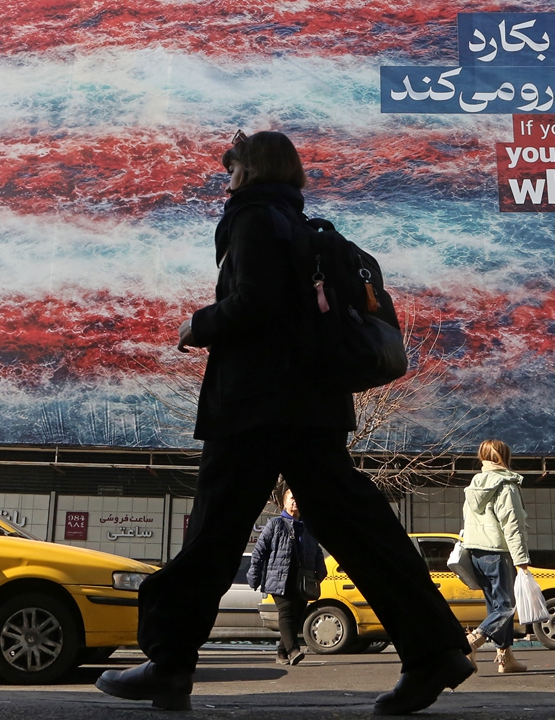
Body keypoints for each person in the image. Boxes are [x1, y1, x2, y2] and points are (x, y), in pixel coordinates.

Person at [95, 130, 473, 715]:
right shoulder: (301, 226)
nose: (226, 181)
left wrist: (200, 324)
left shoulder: (252, 219)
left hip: (253, 407)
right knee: (360, 529)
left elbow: (257, 304)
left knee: (214, 534)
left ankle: (169, 664)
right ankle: (435, 650)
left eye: (231, 170)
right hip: (311, 406)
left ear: (248, 171)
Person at [461, 439, 529, 674]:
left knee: (495, 607)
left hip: (477, 553)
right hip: (498, 553)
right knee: (507, 607)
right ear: (504, 457)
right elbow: (513, 523)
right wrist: (521, 560)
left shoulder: (474, 486)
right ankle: (472, 643)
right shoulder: (505, 484)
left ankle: (506, 657)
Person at [248, 482, 326, 665]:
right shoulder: (274, 525)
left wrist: (320, 572)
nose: (295, 502)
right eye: (292, 499)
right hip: (279, 579)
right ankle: (293, 650)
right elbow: (259, 551)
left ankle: (281, 652)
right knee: (287, 613)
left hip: (303, 580)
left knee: (297, 617)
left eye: (298, 499)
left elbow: (317, 552)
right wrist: (255, 576)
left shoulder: (308, 528)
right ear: (284, 503)